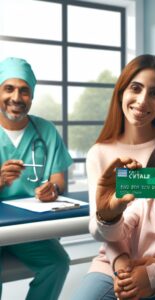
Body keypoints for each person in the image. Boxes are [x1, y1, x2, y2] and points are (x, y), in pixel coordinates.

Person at [72, 54, 155, 299]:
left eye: (154, 93)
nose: (142, 101)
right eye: (136, 88)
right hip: (113, 262)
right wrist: (121, 266)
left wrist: (154, 272)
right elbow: (99, 231)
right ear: (121, 92)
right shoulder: (99, 153)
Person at [74, 140, 155, 300]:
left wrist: (150, 275)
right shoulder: (141, 204)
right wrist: (124, 274)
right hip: (125, 270)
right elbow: (117, 235)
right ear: (152, 176)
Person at [0, 57, 73, 300]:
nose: (16, 98)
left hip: (29, 229)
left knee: (58, 263)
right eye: (8, 88)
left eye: (24, 91)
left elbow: (59, 179)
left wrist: (52, 188)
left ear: (32, 97)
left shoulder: (46, 131)